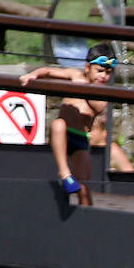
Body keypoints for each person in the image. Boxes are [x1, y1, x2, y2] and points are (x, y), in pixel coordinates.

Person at [20, 45, 115, 204]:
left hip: (81, 139)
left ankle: (87, 215)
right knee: (58, 124)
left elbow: (98, 107)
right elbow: (49, 71)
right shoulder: (74, 75)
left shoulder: (102, 92)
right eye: (99, 71)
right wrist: (32, 75)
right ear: (87, 67)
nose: (104, 76)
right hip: (63, 135)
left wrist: (84, 88)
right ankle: (64, 174)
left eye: (108, 73)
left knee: (84, 188)